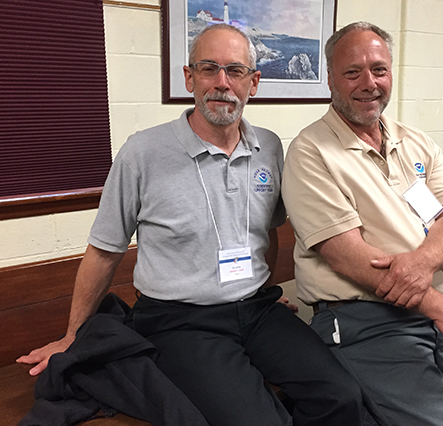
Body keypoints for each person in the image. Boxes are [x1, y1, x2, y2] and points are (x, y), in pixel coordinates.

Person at [17, 24, 363, 426]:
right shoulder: (142, 152)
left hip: (257, 311)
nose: (221, 83)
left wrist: (261, 287)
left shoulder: (268, 146)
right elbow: (104, 250)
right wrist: (73, 334)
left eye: (235, 71)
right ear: (189, 77)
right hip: (179, 321)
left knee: (342, 396)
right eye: (208, 69)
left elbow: (267, 230)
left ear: (254, 83)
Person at [282, 21, 443, 426]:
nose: (369, 83)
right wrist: (440, 306)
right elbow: (349, 259)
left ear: (391, 74)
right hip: (364, 317)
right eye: (353, 72)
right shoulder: (310, 152)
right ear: (330, 78)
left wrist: (420, 269)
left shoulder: (414, 140)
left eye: (379, 70)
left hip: (432, 302)